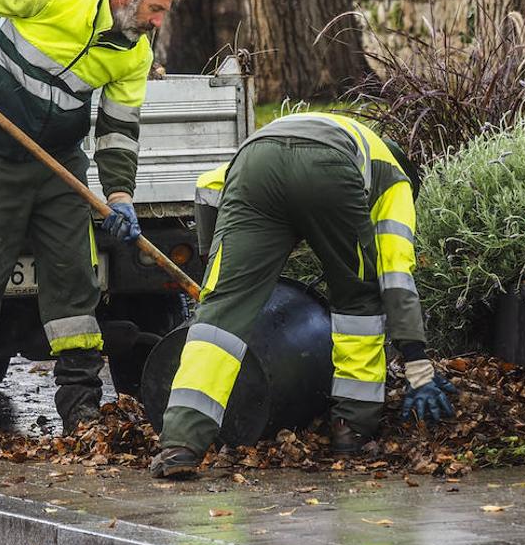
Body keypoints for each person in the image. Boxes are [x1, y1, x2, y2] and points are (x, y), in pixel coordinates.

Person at [0, 0, 186, 451]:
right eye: (156, 8)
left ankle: (81, 407)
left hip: (60, 164)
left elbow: (117, 130)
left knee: (74, 279)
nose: (158, 22)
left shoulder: (135, 53)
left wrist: (119, 196)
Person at [149, 112, 457, 478]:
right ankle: (352, 428)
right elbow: (395, 277)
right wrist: (418, 366)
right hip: (329, 170)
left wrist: (214, 264)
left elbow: (209, 188)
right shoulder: (395, 183)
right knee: (358, 298)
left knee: (221, 311)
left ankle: (181, 443)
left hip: (254, 161)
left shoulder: (339, 131)